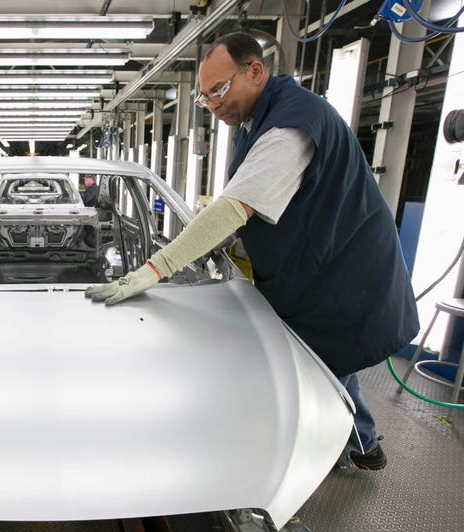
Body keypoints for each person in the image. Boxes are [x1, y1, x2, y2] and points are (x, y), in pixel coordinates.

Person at [85, 32, 418, 471]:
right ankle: (365, 444)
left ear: (255, 71)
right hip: (311, 273)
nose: (214, 104)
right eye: (205, 98)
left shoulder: (291, 126)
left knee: (319, 373)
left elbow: (233, 208)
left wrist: (156, 266)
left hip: (344, 278)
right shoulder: (252, 122)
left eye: (218, 91)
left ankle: (320, 456)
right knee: (331, 364)